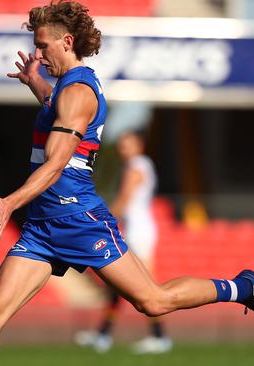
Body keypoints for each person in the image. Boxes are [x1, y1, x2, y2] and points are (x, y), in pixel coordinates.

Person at [0, 2, 254, 365]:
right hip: (43, 227)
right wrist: (35, 81)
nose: (38, 53)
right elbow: (57, 110)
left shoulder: (78, 92)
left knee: (154, 301)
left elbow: (55, 164)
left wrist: (11, 201)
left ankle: (242, 288)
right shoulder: (65, 90)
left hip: (79, 220)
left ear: (66, 42)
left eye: (43, 46)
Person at [75, 131, 172, 354]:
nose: (122, 148)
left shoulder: (136, 165)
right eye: (121, 144)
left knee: (145, 285)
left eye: (127, 144)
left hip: (139, 230)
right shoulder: (140, 164)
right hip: (136, 229)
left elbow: (125, 197)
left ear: (139, 145)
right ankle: (104, 334)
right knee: (119, 285)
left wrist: (103, 220)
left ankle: (159, 336)